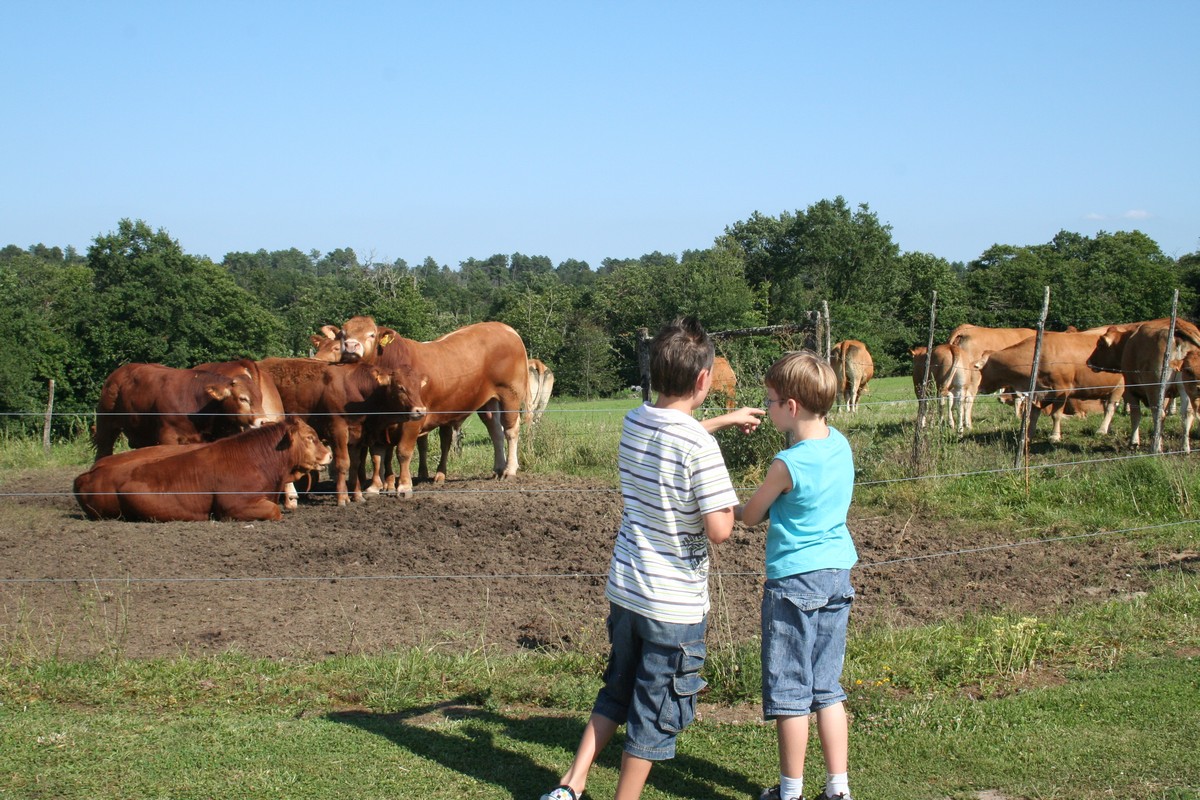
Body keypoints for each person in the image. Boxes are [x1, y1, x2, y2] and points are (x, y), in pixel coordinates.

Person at [539, 317, 763, 800]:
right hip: (672, 606)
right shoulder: (700, 447)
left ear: (655, 372)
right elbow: (721, 530)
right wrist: (743, 505)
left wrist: (722, 422)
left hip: (627, 589)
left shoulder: (635, 419)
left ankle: (570, 785)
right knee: (655, 710)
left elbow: (671, 434)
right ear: (704, 379)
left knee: (616, 690)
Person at [735, 350, 858, 800]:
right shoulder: (841, 444)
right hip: (837, 575)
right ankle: (838, 788)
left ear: (791, 406)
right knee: (827, 688)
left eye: (769, 401)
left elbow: (750, 516)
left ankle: (790, 792)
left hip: (793, 583)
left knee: (790, 690)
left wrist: (727, 506)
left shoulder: (786, 464)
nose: (766, 408)